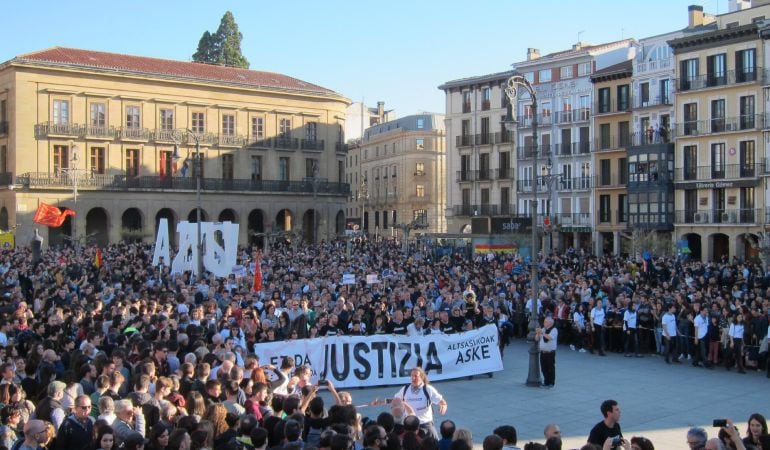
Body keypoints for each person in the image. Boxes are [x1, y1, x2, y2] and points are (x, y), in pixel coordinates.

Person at [393, 367, 447, 439]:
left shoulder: (428, 389)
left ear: (422, 377)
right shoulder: (405, 389)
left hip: (425, 425)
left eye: (416, 376)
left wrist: (443, 406)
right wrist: (382, 402)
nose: (413, 378)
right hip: (409, 426)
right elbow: (395, 400)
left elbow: (442, 402)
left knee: (434, 444)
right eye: (412, 376)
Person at [536, 317, 557, 388]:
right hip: (543, 352)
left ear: (550, 323)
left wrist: (542, 332)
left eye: (545, 322)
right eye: (544, 322)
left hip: (550, 352)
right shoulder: (543, 329)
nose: (544, 323)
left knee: (550, 368)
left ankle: (551, 383)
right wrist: (538, 333)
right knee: (543, 368)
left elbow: (549, 337)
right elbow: (536, 339)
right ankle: (546, 382)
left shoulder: (554, 330)